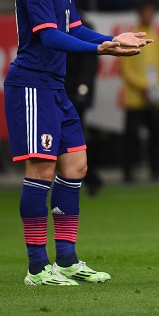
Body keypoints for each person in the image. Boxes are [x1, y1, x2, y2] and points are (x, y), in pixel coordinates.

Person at [4, 0, 152, 286]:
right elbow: (50, 37)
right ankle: (38, 268)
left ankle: (67, 260)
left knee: (76, 166)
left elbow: (74, 28)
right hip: (32, 84)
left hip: (54, 86)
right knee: (42, 170)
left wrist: (110, 39)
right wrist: (99, 49)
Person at [120, 2, 159, 182]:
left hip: (154, 98)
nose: (149, 16)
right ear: (140, 14)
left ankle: (156, 169)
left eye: (152, 13)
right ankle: (129, 172)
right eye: (146, 13)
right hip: (135, 98)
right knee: (131, 137)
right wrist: (143, 85)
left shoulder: (158, 38)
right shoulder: (132, 37)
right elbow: (126, 69)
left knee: (157, 135)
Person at [64, 18, 102, 196]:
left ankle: (88, 176)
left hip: (73, 95)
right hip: (61, 92)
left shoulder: (82, 27)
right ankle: (86, 177)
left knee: (74, 139)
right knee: (68, 139)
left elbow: (89, 63)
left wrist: (82, 90)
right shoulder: (56, 25)